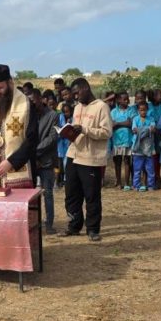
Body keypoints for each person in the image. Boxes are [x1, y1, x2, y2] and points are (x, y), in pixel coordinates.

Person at [61, 78, 113, 242]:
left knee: (91, 196)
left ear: (85, 88)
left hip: (90, 158)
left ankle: (92, 229)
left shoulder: (101, 107)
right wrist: (69, 132)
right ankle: (74, 226)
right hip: (73, 155)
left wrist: (84, 129)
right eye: (73, 94)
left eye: (77, 93)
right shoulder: (77, 107)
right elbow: (77, 129)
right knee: (71, 194)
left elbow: (106, 132)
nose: (75, 97)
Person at [31, 89, 59, 233]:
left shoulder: (53, 115)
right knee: (30, 195)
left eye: (33, 101)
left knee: (48, 193)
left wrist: (34, 151)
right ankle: (32, 222)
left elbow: (53, 138)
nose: (31, 104)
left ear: (40, 99)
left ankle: (49, 224)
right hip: (31, 162)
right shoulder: (28, 115)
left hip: (46, 161)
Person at [110, 91, 135, 190]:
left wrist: (118, 124)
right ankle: (119, 181)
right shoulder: (113, 112)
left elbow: (131, 124)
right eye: (124, 99)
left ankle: (126, 182)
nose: (127, 101)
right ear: (118, 100)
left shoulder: (131, 110)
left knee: (127, 161)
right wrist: (124, 123)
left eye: (127, 99)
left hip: (128, 140)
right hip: (116, 140)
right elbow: (111, 125)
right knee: (117, 162)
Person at [131, 101, 156, 192]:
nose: (143, 112)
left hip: (148, 147)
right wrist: (146, 129)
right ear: (138, 110)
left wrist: (141, 130)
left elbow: (153, 129)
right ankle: (136, 185)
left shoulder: (151, 119)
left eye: (145, 110)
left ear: (147, 110)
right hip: (138, 147)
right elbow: (134, 130)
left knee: (150, 168)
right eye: (141, 110)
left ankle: (150, 185)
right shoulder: (135, 119)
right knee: (137, 168)